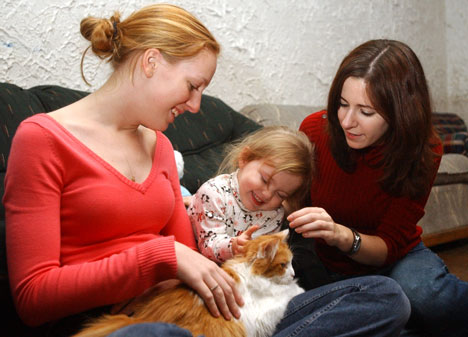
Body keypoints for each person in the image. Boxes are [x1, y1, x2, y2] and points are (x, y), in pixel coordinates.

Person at [3, 5, 411, 335]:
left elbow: (194, 261)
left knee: (384, 296)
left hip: (198, 314)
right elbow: (33, 300)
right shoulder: (41, 139)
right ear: (151, 62)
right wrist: (157, 258)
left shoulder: (161, 146)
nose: (196, 106)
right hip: (117, 323)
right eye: (192, 86)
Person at [288, 39, 468, 337]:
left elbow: (387, 246)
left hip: (394, 256)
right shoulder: (314, 129)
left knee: (425, 296)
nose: (347, 121)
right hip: (322, 261)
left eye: (366, 112)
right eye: (342, 104)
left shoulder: (424, 150)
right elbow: (292, 201)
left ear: (401, 112)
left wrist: (341, 235)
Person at [188, 126, 314, 263]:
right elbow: (208, 246)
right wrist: (233, 247)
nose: (267, 195)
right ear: (245, 158)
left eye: (280, 194)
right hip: (194, 262)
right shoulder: (213, 193)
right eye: (265, 180)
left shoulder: (273, 214)